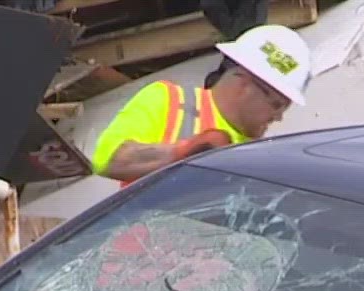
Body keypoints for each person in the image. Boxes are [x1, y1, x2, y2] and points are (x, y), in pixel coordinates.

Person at [91, 24, 312, 183]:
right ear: (245, 83)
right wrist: (183, 152)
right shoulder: (169, 101)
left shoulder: (259, 152)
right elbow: (107, 159)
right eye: (276, 105)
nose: (279, 117)